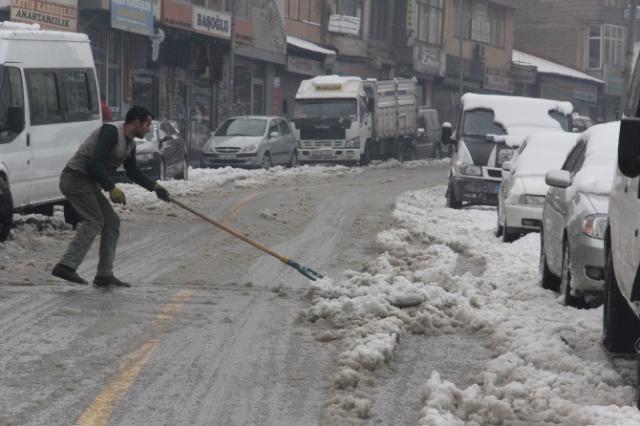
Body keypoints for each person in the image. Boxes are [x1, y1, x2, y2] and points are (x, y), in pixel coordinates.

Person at [51, 106, 170, 288]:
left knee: (111, 222)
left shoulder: (130, 143)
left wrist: (155, 187)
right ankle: (66, 266)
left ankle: (104, 275)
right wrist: (111, 188)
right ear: (136, 122)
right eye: (147, 124)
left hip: (89, 184)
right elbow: (94, 163)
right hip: (75, 178)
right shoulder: (111, 132)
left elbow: (133, 172)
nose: (148, 129)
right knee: (94, 221)